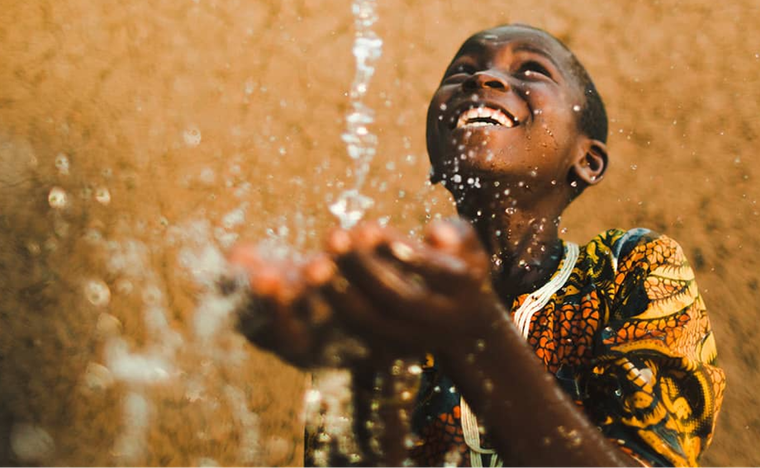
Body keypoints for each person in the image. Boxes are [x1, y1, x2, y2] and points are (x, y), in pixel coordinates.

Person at [230, 24, 724, 468]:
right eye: (462, 71)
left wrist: (473, 333)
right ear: (434, 158)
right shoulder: (389, 298)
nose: (483, 80)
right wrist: (357, 370)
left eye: (532, 69)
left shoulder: (629, 269)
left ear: (587, 161)